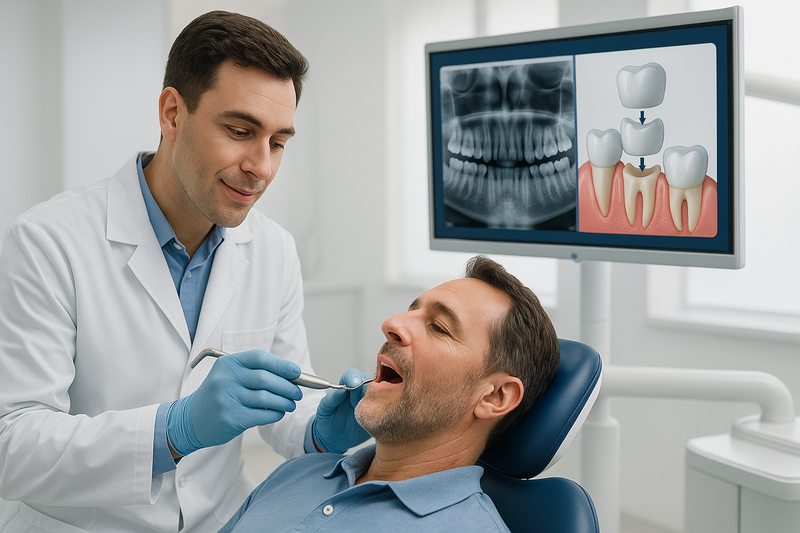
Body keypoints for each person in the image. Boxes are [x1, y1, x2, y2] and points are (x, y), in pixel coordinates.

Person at [0, 11, 369, 533]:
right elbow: (11, 445)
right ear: (172, 114)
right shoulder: (48, 242)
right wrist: (172, 431)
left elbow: (285, 407)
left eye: (278, 142)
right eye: (240, 131)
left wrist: (321, 430)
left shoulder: (273, 250)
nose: (261, 167)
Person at [219, 255, 561, 532]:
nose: (393, 323)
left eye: (439, 327)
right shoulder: (297, 473)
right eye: (411, 310)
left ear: (495, 397)